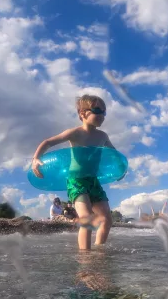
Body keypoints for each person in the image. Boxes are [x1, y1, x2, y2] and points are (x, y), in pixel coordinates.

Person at [32, 94, 115, 250]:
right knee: (86, 218)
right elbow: (48, 142)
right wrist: (36, 158)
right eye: (97, 110)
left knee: (106, 219)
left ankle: (99, 251)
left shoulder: (103, 136)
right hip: (76, 181)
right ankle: (85, 257)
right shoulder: (75, 133)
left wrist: (119, 168)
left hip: (93, 181)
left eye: (104, 112)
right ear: (82, 113)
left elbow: (113, 154)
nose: (102, 115)